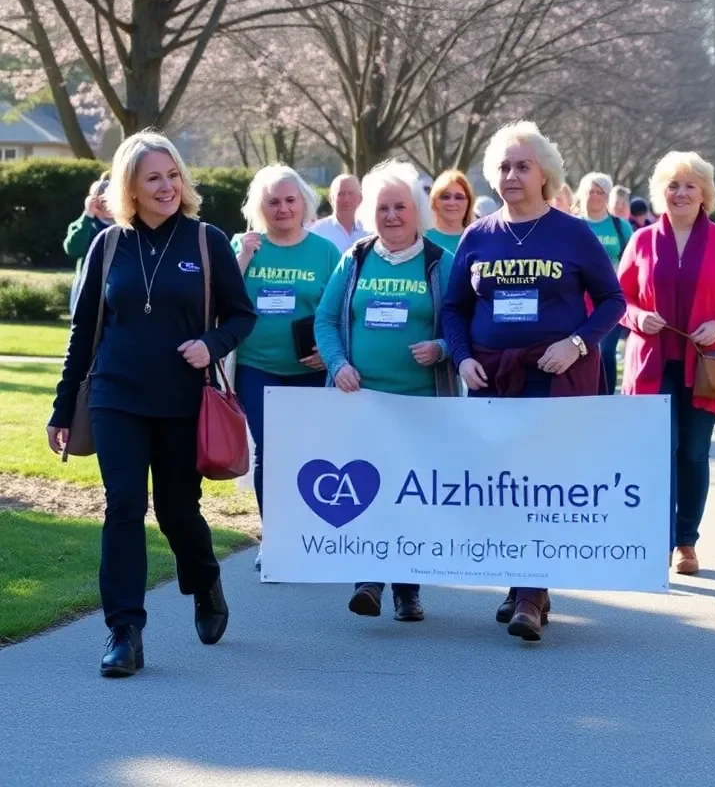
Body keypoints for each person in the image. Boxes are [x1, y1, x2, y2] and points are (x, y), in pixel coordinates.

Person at [46, 132, 256, 677]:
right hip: (116, 396)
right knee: (122, 506)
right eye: (153, 178)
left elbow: (241, 315)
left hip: (184, 400)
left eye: (173, 175)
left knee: (178, 511)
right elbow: (83, 331)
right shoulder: (109, 244)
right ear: (130, 187)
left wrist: (210, 345)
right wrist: (62, 407)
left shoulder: (207, 242)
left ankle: (205, 579)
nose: (167, 186)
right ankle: (124, 632)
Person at [442, 121, 625, 642]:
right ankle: (521, 581)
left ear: (545, 174)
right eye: (503, 166)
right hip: (492, 374)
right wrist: (460, 357)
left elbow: (613, 300)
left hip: (554, 375)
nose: (512, 175)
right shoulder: (478, 235)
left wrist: (577, 343)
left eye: (523, 166)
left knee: (542, 479)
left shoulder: (572, 232)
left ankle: (530, 593)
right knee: (501, 482)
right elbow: (455, 307)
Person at [315, 160, 458, 621]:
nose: (391, 216)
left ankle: (408, 592)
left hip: (420, 400)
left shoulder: (440, 263)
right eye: (383, 208)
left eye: (400, 207)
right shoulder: (355, 257)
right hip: (364, 400)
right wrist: (337, 364)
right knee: (368, 486)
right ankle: (369, 581)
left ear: (417, 211)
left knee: (407, 491)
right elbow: (326, 319)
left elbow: (463, 326)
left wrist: (440, 347)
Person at [618, 152, 715, 577]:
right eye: (672, 186)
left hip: (705, 366)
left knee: (694, 454)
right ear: (661, 193)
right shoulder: (642, 241)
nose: (680, 193)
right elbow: (616, 299)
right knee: (662, 453)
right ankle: (656, 540)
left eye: (689, 186)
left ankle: (686, 542)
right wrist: (638, 316)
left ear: (704, 195)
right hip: (654, 365)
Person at [232, 165, 341, 560]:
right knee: (270, 451)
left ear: (304, 204)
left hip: (310, 370)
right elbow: (220, 297)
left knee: (310, 453)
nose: (282, 208)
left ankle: (308, 533)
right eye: (273, 201)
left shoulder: (326, 252)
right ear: (260, 207)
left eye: (290, 200)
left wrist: (328, 355)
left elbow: (339, 311)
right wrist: (243, 255)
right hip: (256, 367)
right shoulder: (246, 246)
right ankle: (275, 538)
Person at [575, 171, 633, 394]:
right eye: (592, 191)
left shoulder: (621, 227)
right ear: (583, 194)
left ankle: (606, 396)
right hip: (577, 298)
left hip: (609, 298)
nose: (596, 196)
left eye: (601, 192)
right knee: (582, 350)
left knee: (605, 351)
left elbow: (632, 260)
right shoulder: (573, 224)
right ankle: (582, 394)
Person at [65, 175, 113, 312]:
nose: (107, 206)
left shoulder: (126, 227)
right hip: (88, 288)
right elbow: (73, 249)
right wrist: (88, 216)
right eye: (102, 201)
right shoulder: (84, 225)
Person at [311, 174, 365, 253]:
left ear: (360, 198)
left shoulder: (369, 231)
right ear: (331, 199)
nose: (346, 199)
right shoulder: (317, 232)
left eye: (351, 193)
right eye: (341, 194)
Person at [427, 169, 475, 253]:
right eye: (445, 197)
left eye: (459, 197)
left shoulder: (478, 239)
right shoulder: (421, 240)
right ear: (434, 201)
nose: (452, 203)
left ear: (469, 202)